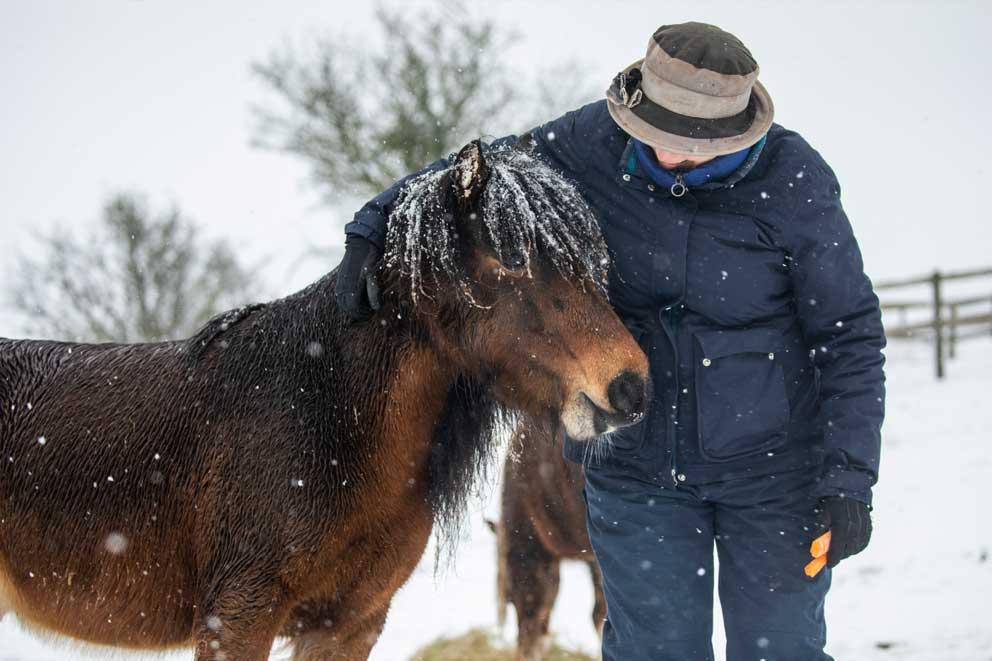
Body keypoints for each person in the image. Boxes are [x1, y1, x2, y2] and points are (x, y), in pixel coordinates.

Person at [335, 21, 885, 661]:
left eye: (693, 146)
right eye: (658, 135)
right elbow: (470, 176)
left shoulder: (796, 182)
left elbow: (848, 336)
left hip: (773, 474)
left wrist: (849, 480)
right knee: (653, 652)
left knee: (780, 650)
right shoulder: (588, 142)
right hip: (636, 467)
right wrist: (371, 227)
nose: (670, 155)